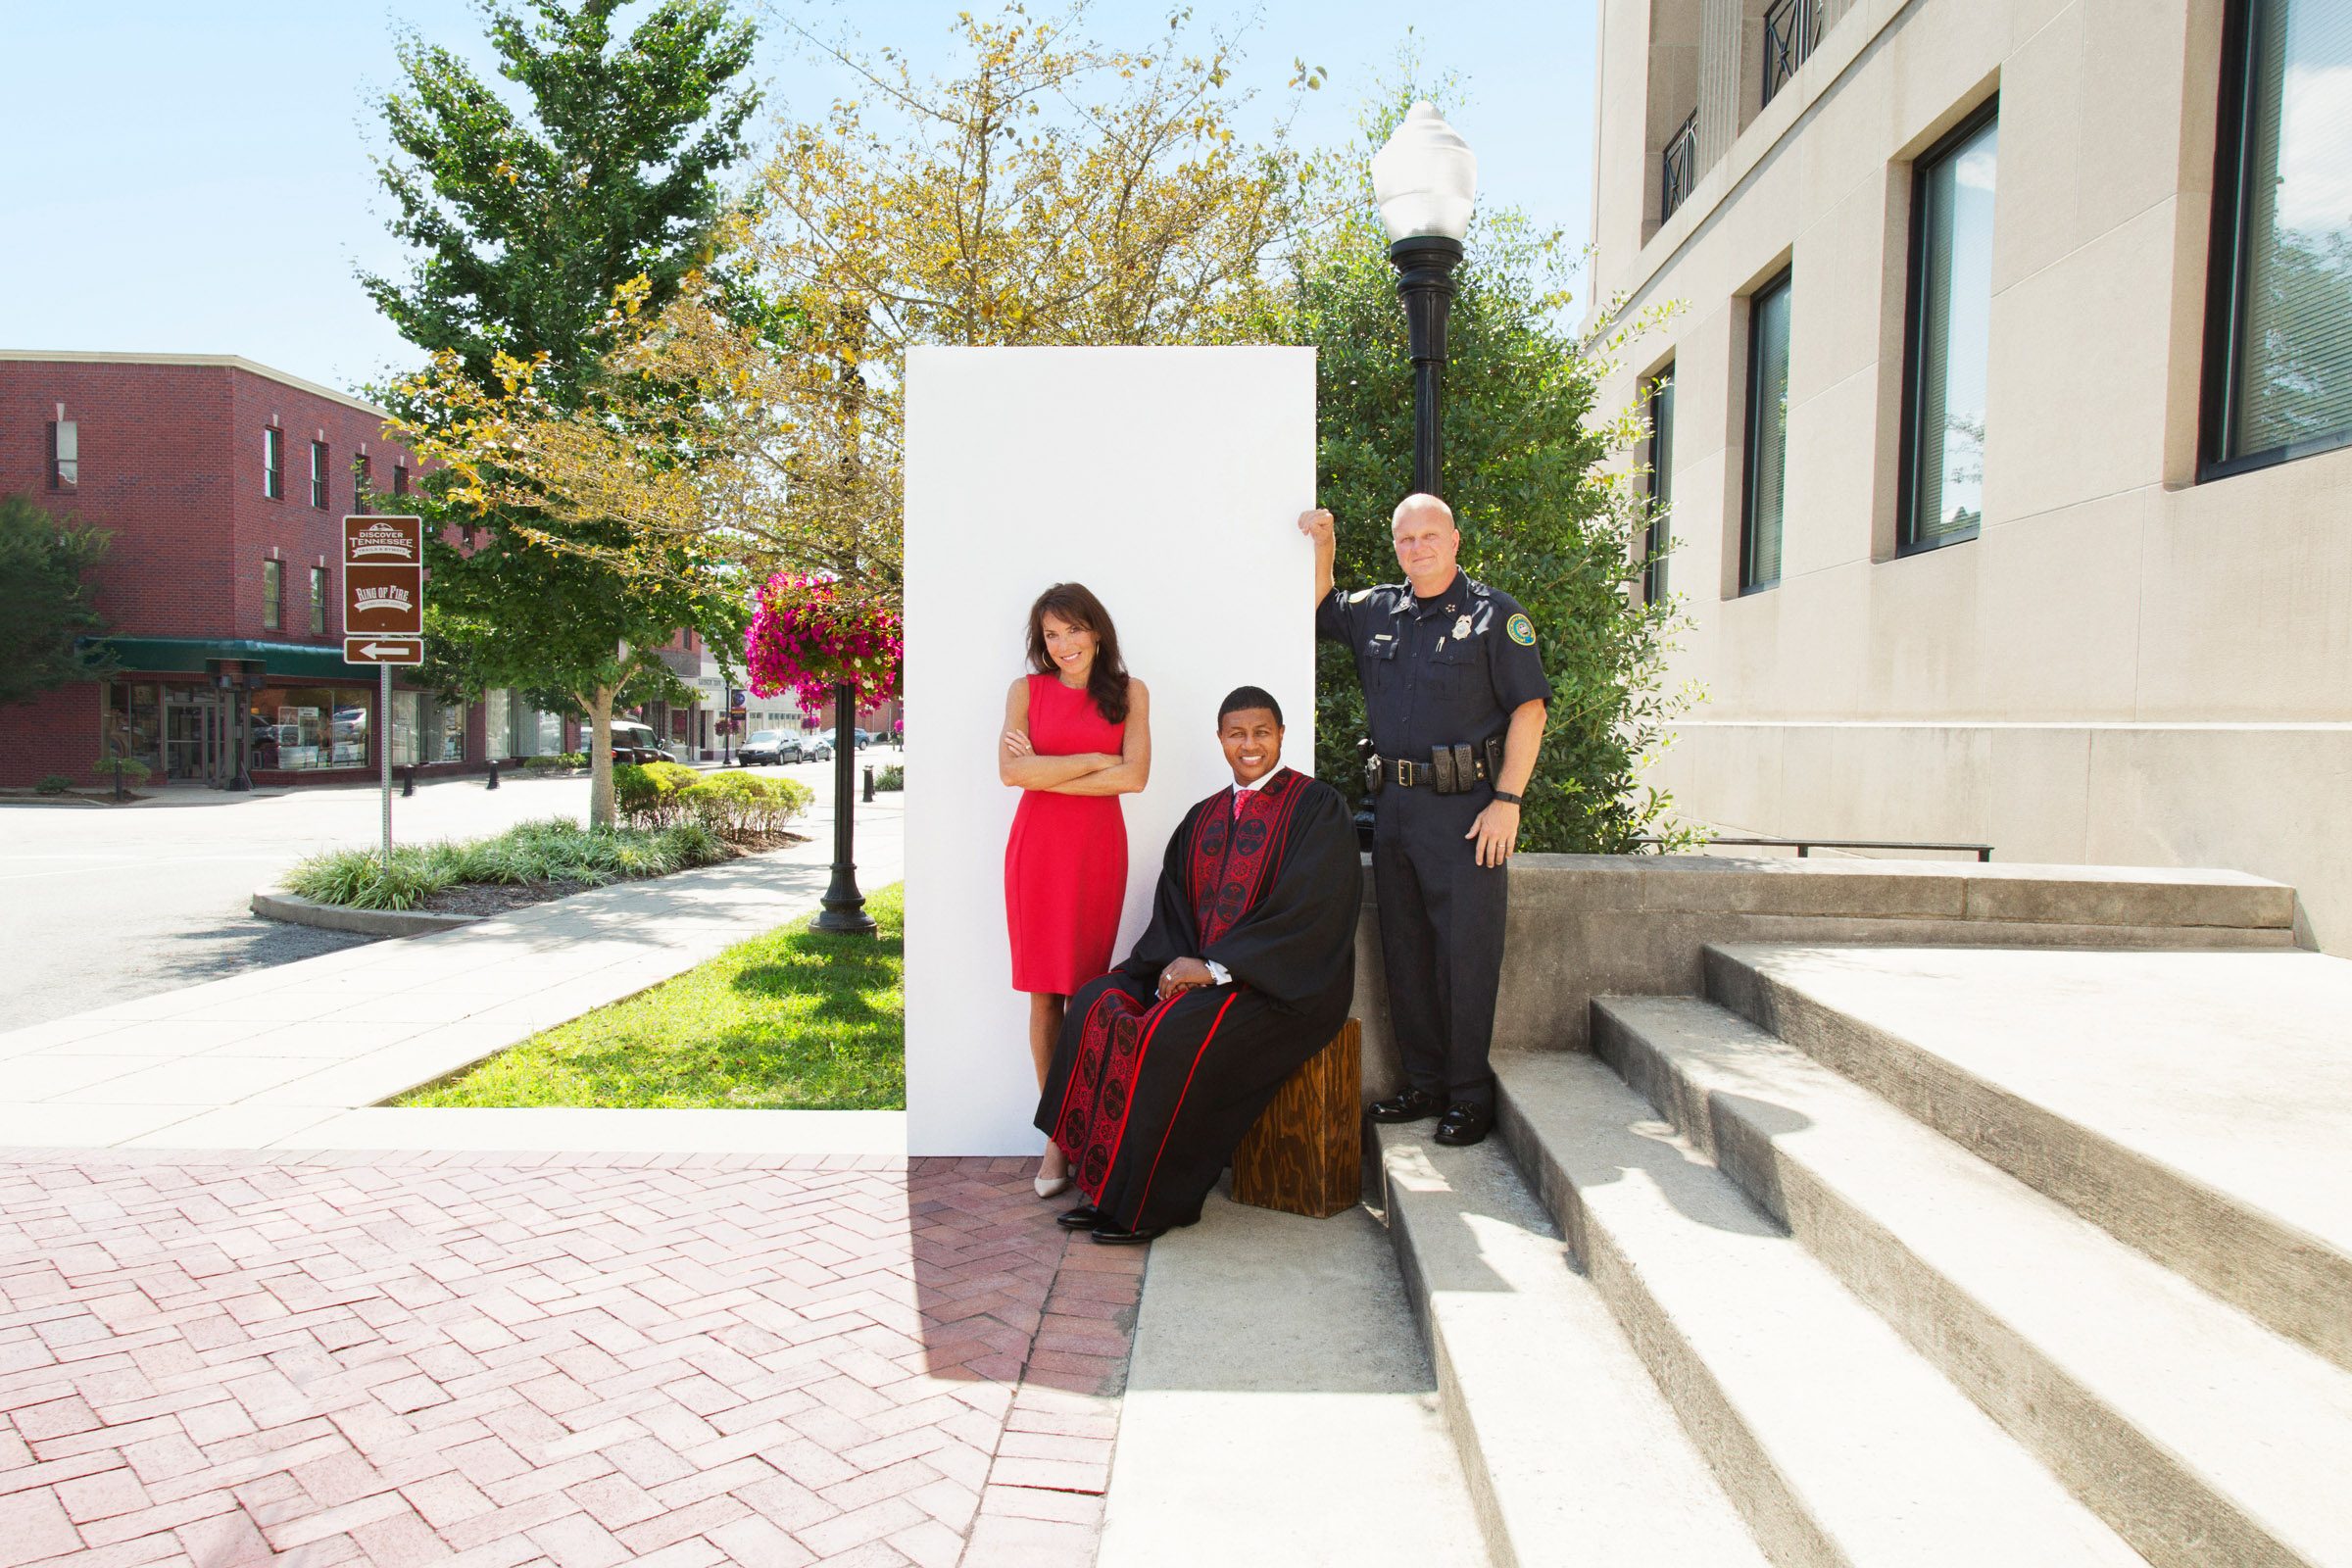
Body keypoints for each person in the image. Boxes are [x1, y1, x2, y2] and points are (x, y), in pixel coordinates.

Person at [1036, 687, 1362, 1244]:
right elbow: (1174, 912)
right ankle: (1105, 1187)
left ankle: (1148, 1205)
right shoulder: (1203, 817)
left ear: (1282, 736)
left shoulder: (1316, 808)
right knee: (1097, 1001)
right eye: (1237, 734)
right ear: (1220, 740)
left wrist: (1216, 968)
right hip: (1205, 977)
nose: (1250, 744)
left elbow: (1311, 911)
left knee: (1171, 1035)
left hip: (1283, 988)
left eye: (1261, 732)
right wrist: (1165, 970)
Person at [1298, 494, 1549, 1147]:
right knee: (1405, 952)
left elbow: (1529, 711)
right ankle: (1424, 1083)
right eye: (1406, 539)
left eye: (1429, 536)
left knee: (1464, 956)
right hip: (1395, 809)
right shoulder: (1380, 609)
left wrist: (1508, 801)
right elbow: (1319, 608)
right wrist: (1324, 545)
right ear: (1396, 547)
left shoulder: (1496, 616)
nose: (1418, 548)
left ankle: (1468, 1096)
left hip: (1467, 813)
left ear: (1455, 540)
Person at [1002, 583, 1152, 1199]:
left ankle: (1084, 1126)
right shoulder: (1025, 691)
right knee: (1043, 994)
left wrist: (1048, 769)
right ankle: (1058, 1137)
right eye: (1051, 635)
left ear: (1096, 631)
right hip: (1036, 853)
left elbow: (1135, 778)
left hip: (1095, 853)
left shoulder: (1130, 693)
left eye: (1073, 630)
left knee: (1085, 993)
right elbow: (1011, 771)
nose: (1064, 645)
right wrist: (1096, 759)